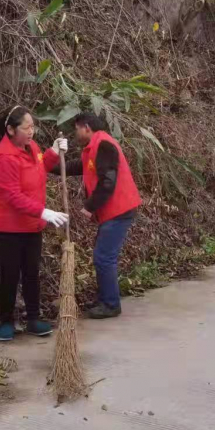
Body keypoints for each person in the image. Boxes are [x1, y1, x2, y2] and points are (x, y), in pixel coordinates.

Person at [0, 105, 70, 341]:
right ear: (12, 130)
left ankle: (34, 318)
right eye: (26, 128)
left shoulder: (31, 147)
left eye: (33, 126)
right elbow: (11, 196)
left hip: (32, 225)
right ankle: (6, 321)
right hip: (9, 228)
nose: (31, 131)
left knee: (32, 272)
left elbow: (40, 167)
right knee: (10, 273)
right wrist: (43, 212)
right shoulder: (4, 157)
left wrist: (53, 152)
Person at [63, 112, 142, 319]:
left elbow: (108, 182)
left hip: (119, 210)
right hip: (112, 211)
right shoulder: (93, 148)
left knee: (103, 257)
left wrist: (89, 206)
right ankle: (106, 298)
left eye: (77, 129)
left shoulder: (104, 145)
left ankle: (110, 304)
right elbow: (77, 167)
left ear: (86, 127)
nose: (76, 133)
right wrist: (51, 163)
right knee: (102, 256)